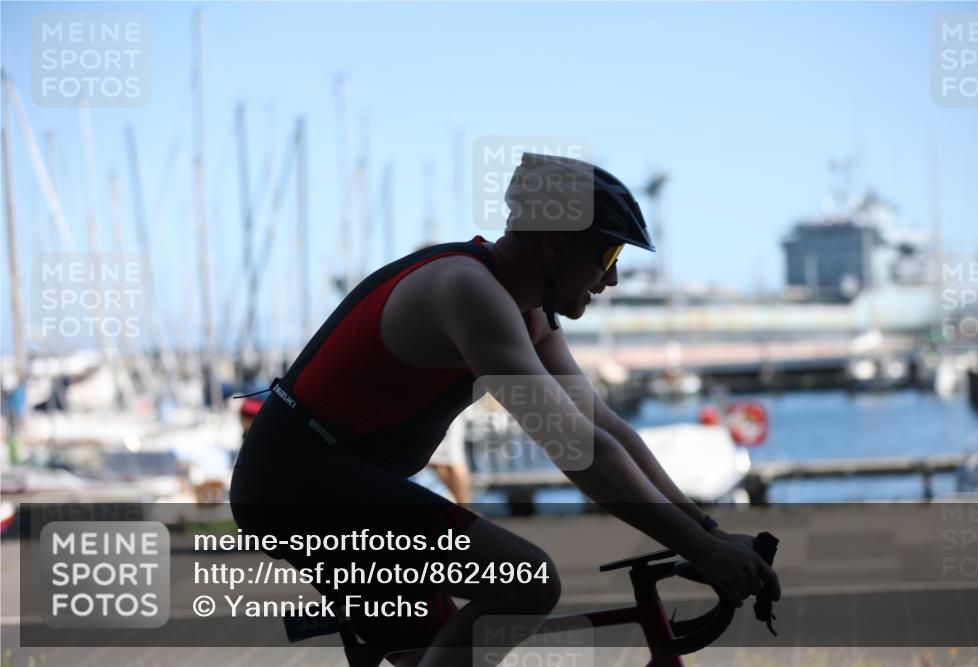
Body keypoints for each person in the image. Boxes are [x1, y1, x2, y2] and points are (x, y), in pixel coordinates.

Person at [229, 153, 780, 667]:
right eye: (608, 256)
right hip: (298, 482)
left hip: (336, 484)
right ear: (554, 244)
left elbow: (603, 426)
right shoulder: (468, 291)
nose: (612, 279)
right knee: (528, 582)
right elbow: (575, 448)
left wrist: (707, 531)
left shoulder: (526, 310)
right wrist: (698, 548)